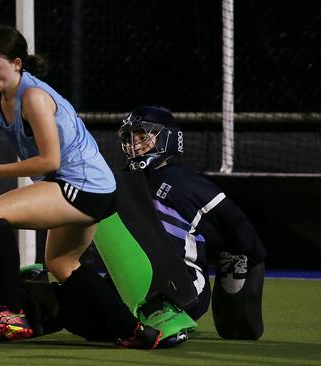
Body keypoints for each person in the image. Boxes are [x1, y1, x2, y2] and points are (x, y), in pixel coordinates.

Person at [0, 25, 157, 347]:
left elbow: (50, 160)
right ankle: (135, 332)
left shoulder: (34, 97)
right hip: (88, 188)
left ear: (17, 64)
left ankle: (11, 312)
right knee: (62, 264)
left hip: (84, 187)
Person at [113, 105, 267, 340]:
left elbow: (240, 232)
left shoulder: (186, 184)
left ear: (168, 139)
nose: (134, 144)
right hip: (131, 280)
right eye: (129, 137)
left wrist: (241, 266)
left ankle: (169, 324)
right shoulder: (120, 182)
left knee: (146, 320)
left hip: (182, 283)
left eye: (143, 136)